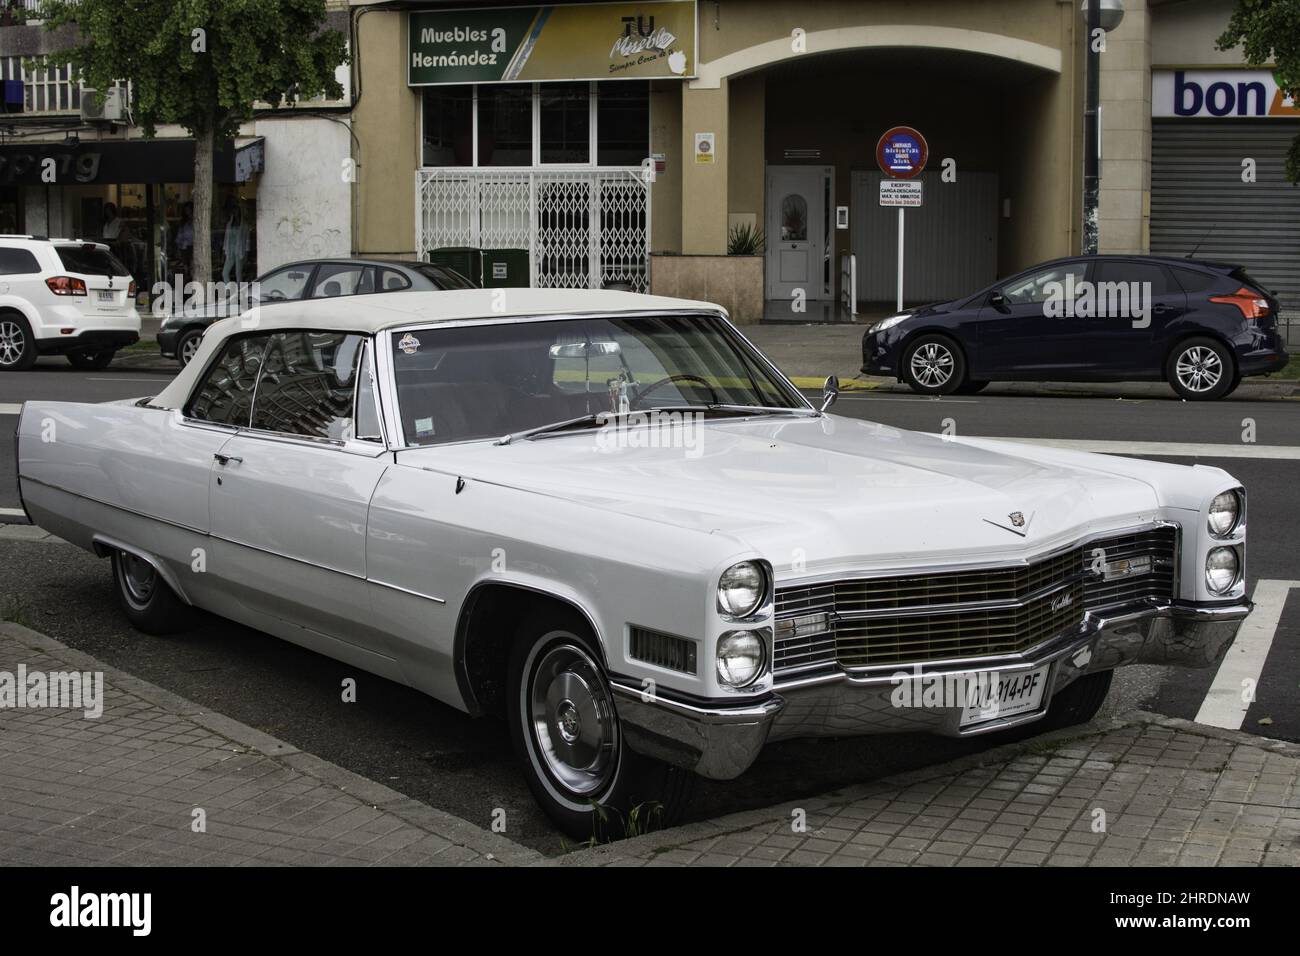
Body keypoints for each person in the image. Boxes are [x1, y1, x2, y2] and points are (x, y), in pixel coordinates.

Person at [221, 203, 249, 284]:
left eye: (236, 211)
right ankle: (229, 291)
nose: (235, 213)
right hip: (230, 251)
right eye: (233, 211)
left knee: (238, 273)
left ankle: (239, 293)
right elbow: (226, 239)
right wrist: (224, 251)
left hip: (240, 251)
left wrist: (247, 253)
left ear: (240, 212)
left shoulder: (244, 225)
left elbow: (247, 240)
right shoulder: (229, 224)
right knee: (225, 273)